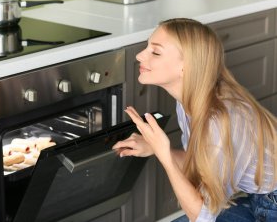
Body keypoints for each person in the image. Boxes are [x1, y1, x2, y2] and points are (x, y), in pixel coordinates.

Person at [112, 18, 277, 221]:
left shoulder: (219, 120)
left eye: (155, 52)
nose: (139, 55)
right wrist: (156, 148)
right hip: (259, 199)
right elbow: (202, 164)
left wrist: (164, 154)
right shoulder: (191, 100)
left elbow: (202, 217)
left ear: (186, 67)